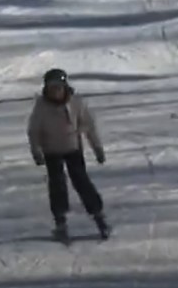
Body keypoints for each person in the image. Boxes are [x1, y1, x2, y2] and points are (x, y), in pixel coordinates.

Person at [26, 68, 110, 240]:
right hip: (51, 150)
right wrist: (36, 150)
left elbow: (89, 126)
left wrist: (97, 148)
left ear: (65, 86)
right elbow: (33, 131)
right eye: (51, 87)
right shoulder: (41, 106)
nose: (55, 91)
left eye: (58, 87)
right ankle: (60, 221)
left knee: (81, 181)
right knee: (57, 185)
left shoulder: (76, 103)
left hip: (73, 148)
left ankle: (98, 215)